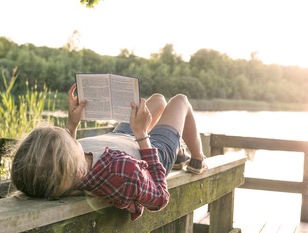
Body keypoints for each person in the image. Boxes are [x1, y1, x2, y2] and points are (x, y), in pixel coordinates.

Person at [11, 83, 207, 220]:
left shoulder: (70, 169)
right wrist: (140, 134)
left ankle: (179, 151)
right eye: (65, 137)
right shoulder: (121, 172)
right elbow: (160, 197)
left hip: (120, 137)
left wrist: (73, 123)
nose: (65, 132)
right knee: (180, 101)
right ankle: (197, 159)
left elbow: (65, 158)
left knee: (156, 101)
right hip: (148, 149)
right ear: (76, 167)